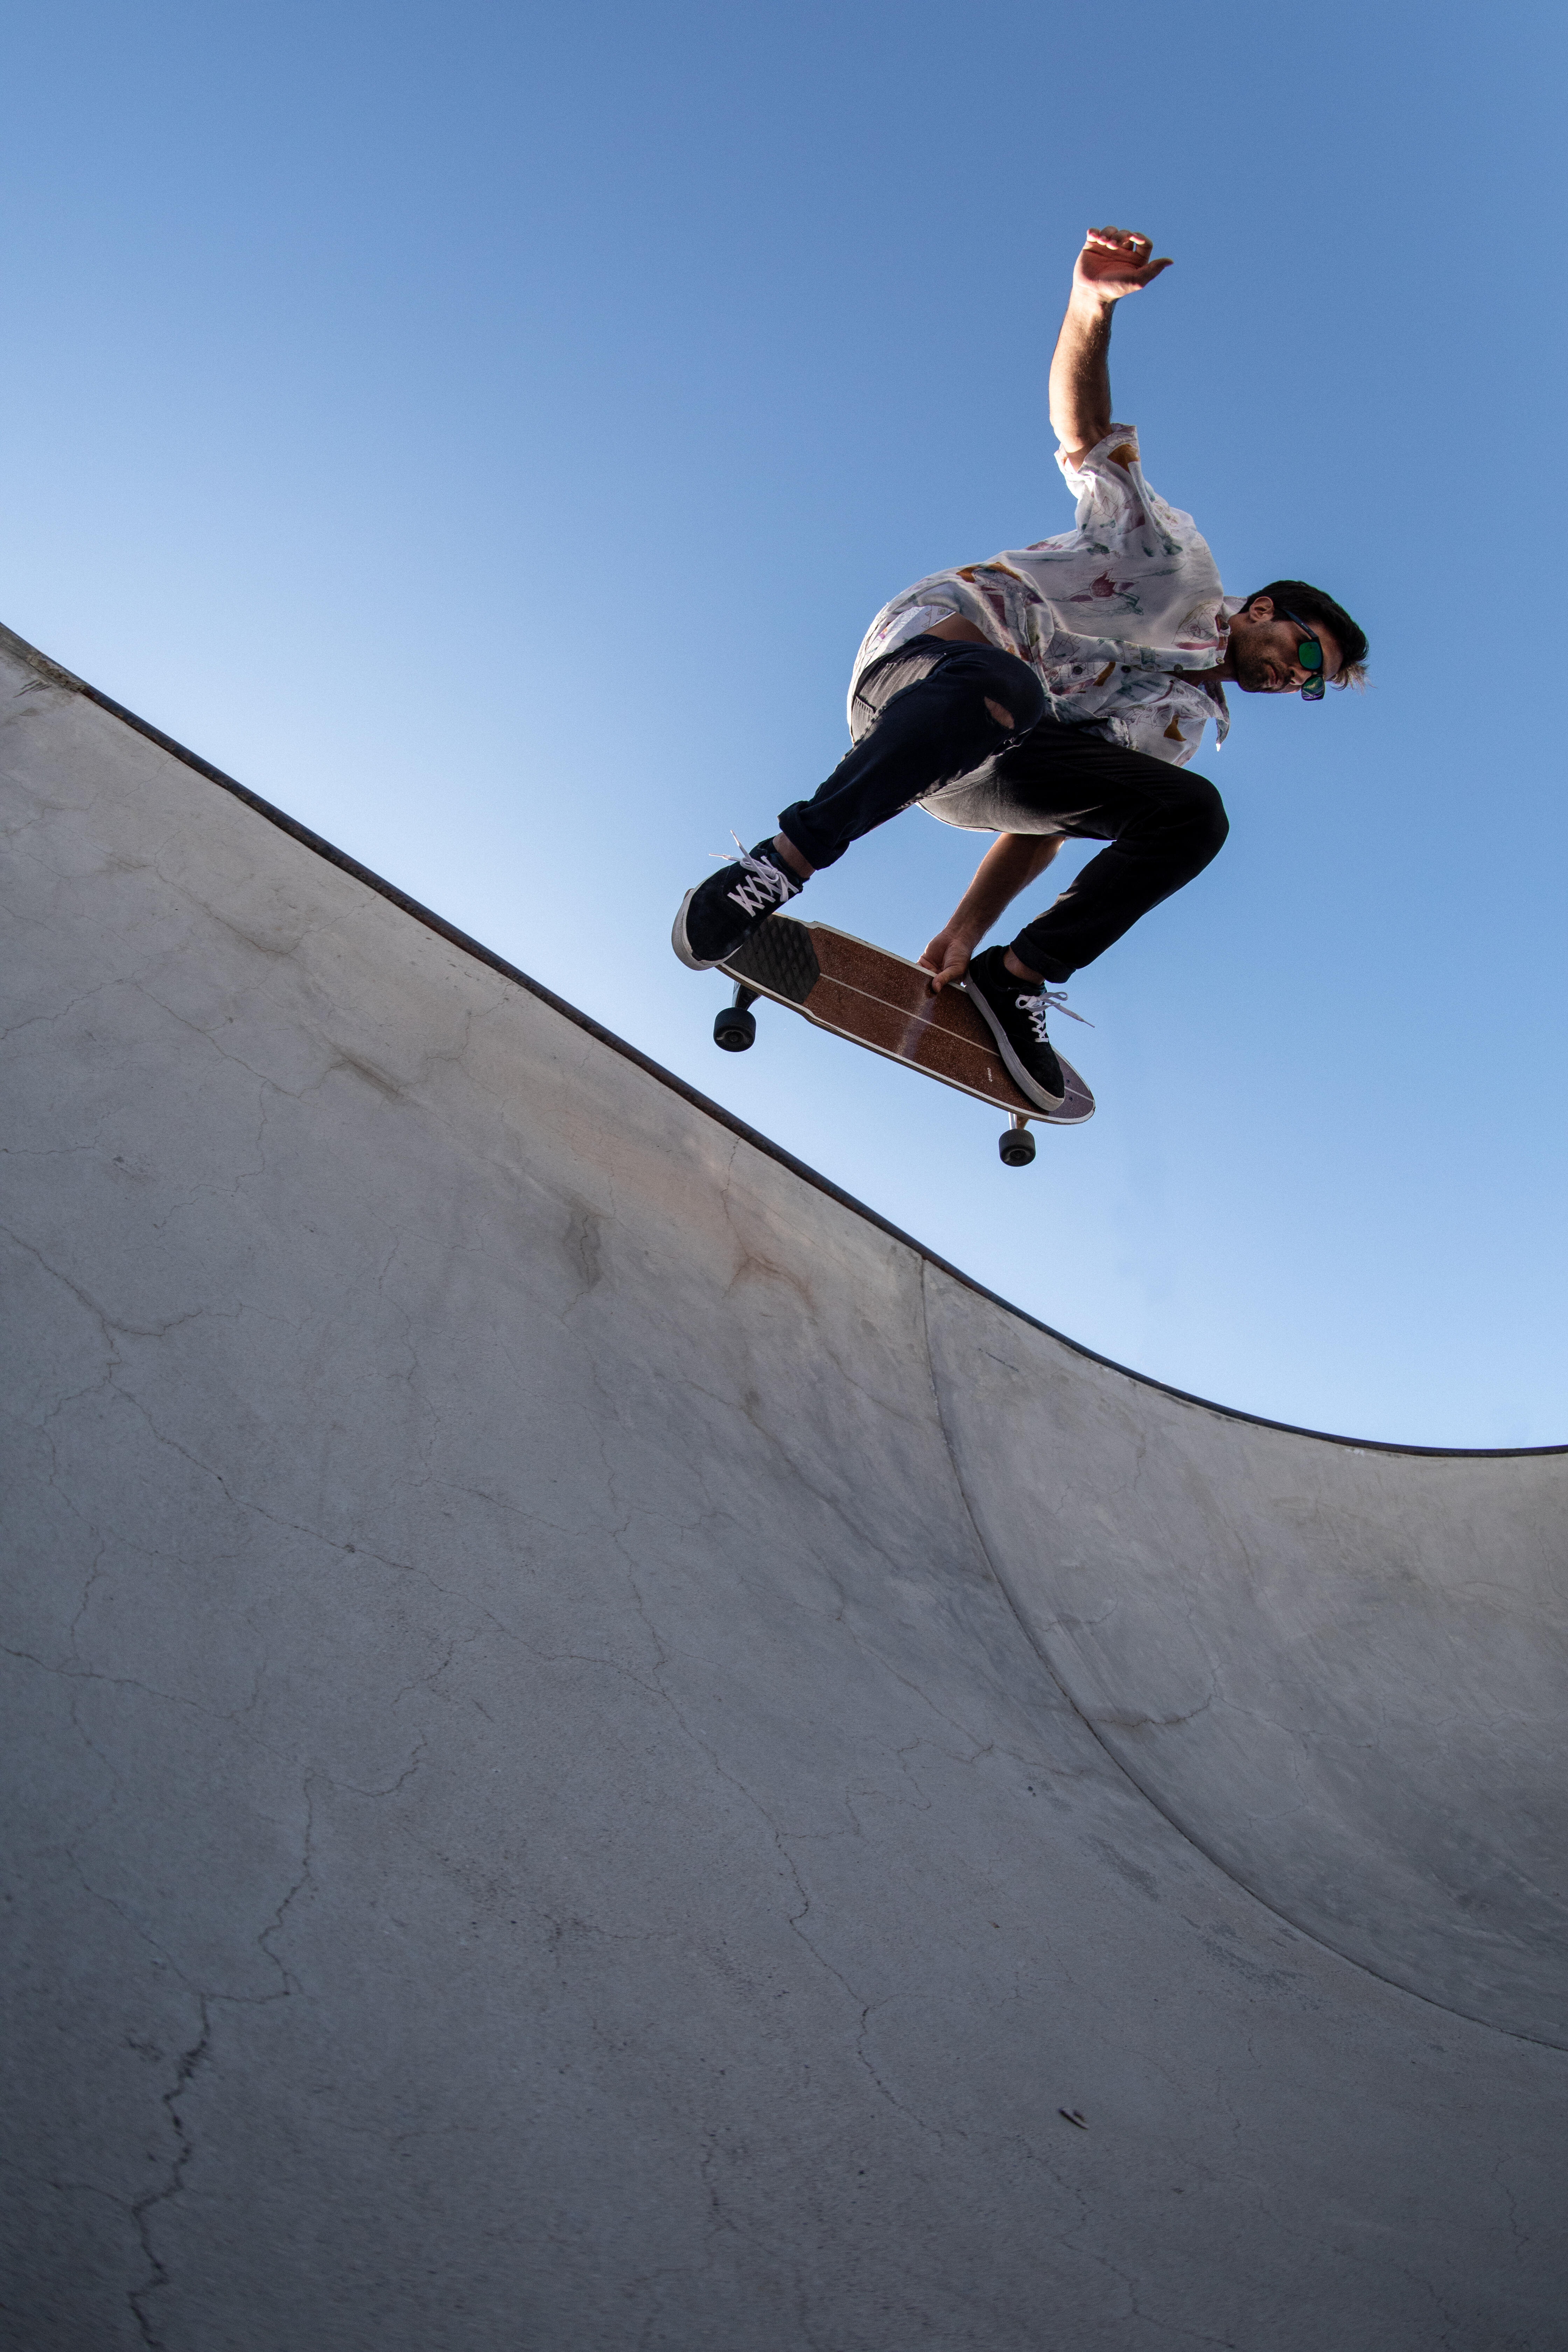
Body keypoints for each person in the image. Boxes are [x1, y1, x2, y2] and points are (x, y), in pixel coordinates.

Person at [672, 225, 1368, 1111]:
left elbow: (1046, 822)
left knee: (1191, 815)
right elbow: (1082, 435)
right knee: (1006, 687)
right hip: (925, 675)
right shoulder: (1173, 561)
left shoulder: (1183, 724)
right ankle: (780, 861)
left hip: (983, 774)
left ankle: (1018, 979)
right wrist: (1091, 307)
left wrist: (967, 931)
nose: (1291, 678)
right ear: (1266, 611)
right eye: (1303, 652)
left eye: (1310, 684)